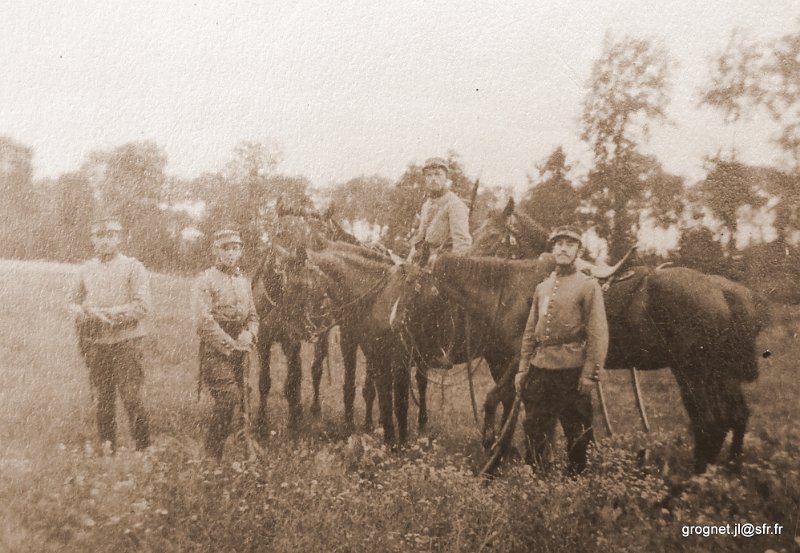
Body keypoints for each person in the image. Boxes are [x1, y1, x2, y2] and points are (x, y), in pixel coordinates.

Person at [514, 225, 609, 476]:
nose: (563, 249)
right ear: (553, 249)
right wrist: (523, 369)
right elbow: (529, 332)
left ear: (578, 250)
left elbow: (598, 334)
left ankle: (574, 480)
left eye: (569, 244)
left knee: (576, 430)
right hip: (540, 367)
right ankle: (535, 475)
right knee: (534, 426)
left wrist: (589, 374)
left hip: (571, 370)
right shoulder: (543, 287)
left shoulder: (588, 286)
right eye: (559, 244)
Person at [68, 216, 151, 452]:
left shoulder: (133, 267)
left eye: (110, 236)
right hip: (96, 343)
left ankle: (144, 451)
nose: (105, 241)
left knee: (132, 398)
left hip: (126, 342)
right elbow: (72, 303)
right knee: (102, 401)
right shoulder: (85, 269)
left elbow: (141, 306)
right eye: (99, 236)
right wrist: (84, 313)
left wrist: (107, 314)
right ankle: (108, 450)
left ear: (119, 238)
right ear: (92, 239)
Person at [194, 228, 259, 460]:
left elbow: (253, 316)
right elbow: (204, 322)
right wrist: (231, 344)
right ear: (216, 251)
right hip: (216, 351)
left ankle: (244, 452)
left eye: (235, 248)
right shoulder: (206, 279)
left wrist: (250, 334)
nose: (231, 254)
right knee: (228, 398)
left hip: (241, 350)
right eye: (226, 249)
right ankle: (211, 454)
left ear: (241, 251)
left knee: (244, 402)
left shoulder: (243, 281)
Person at [408, 157, 472, 261]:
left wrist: (444, 264)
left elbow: (462, 243)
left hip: (443, 264)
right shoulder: (426, 205)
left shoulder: (454, 204)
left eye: (438, 174)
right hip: (423, 260)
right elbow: (420, 237)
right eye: (429, 175)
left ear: (446, 178)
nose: (433, 178)